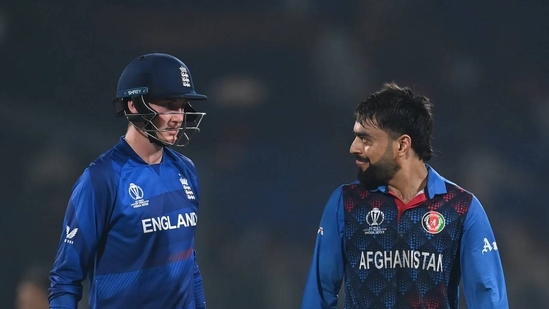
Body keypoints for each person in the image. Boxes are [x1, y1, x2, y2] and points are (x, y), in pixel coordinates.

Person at [300, 82, 509, 309]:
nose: (354, 147)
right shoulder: (346, 202)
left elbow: (488, 296)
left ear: (402, 145)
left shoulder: (461, 207)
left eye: (366, 139)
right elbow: (319, 294)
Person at [48, 52, 208, 309]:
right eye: (168, 104)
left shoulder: (186, 170)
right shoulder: (102, 179)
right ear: (134, 104)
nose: (179, 116)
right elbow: (66, 278)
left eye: (182, 105)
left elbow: (189, 265)